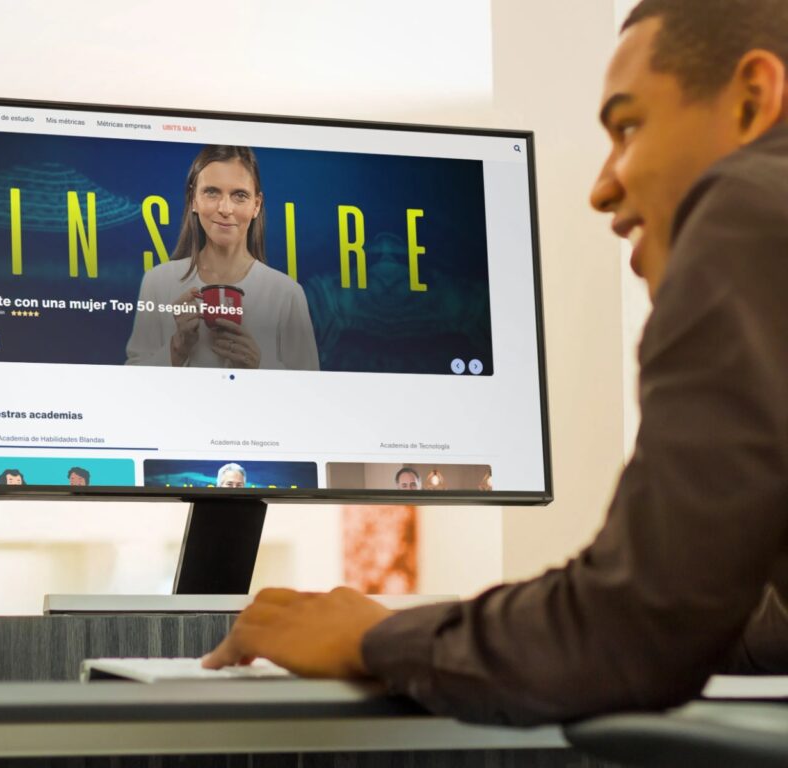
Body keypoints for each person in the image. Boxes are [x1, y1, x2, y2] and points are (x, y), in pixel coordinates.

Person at [204, 0, 788, 725]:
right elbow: (724, 617)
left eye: (629, 126)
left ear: (754, 98)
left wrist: (380, 636)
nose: (602, 187)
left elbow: (632, 630)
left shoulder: (748, 211)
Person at [125, 145, 320, 371]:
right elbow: (133, 380)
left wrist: (259, 364)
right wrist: (177, 348)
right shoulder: (157, 282)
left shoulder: (287, 293)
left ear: (256, 205)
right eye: (211, 192)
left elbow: (309, 393)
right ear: (193, 200)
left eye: (239, 195)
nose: (225, 208)